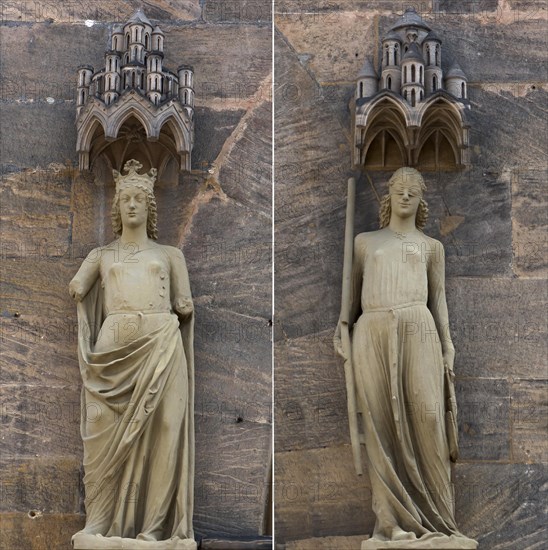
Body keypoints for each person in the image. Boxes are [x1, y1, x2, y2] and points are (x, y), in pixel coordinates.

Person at [335, 168, 477, 548]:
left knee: (429, 417)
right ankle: (390, 522)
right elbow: (350, 298)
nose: (405, 197)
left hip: (419, 327)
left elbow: (439, 300)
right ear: (388, 197)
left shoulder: (431, 247)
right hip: (373, 331)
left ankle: (440, 521)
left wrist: (448, 344)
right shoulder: (366, 243)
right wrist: (343, 326)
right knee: (379, 424)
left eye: (413, 192)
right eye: (399, 190)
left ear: (421, 201)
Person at [69, 159, 196, 549]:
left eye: (139, 198)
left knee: (167, 431)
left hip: (161, 342)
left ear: (149, 205)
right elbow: (77, 289)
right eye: (125, 198)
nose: (132, 205)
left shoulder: (171, 255)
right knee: (102, 433)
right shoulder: (103, 255)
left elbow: (184, 304)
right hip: (113, 351)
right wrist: (92, 265)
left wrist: (184, 307)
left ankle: (154, 529)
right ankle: (99, 521)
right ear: (117, 206)